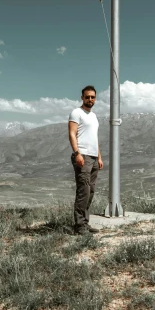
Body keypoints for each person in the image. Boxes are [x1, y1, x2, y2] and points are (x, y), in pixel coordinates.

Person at [68, 85, 104, 235]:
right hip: (82, 156)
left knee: (91, 191)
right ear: (82, 97)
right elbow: (71, 133)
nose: (90, 99)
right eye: (87, 97)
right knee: (83, 191)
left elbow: (94, 138)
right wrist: (77, 153)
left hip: (94, 157)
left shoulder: (93, 116)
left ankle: (85, 222)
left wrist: (99, 157)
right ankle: (79, 226)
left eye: (93, 97)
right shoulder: (77, 112)